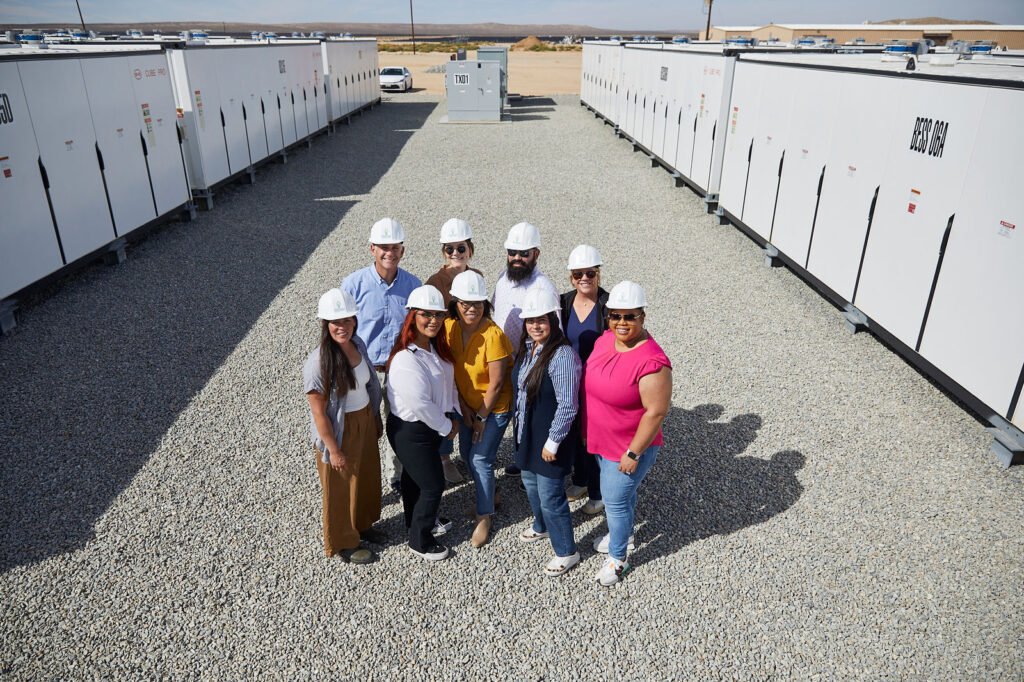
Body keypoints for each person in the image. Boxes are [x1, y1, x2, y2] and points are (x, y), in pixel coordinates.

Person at [583, 281, 672, 586]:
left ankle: (618, 558)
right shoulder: (606, 339)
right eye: (615, 315)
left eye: (629, 316)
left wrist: (634, 453)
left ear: (642, 317)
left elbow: (656, 412)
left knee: (615, 501)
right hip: (601, 439)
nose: (621, 322)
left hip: (627, 447)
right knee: (622, 495)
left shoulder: (652, 362)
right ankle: (627, 534)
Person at [303, 288, 385, 564]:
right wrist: (334, 450)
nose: (343, 326)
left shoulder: (358, 343)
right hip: (340, 429)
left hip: (363, 418)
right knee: (340, 485)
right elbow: (319, 413)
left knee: (365, 475)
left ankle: (362, 525)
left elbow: (369, 384)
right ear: (325, 324)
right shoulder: (319, 362)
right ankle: (343, 542)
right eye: (336, 322)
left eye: (348, 320)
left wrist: (375, 417)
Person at [341, 217, 422, 495]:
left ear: (403, 250)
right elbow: (343, 329)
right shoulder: (352, 285)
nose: (390, 253)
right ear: (372, 249)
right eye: (383, 247)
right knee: (361, 426)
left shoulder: (413, 285)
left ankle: (395, 475)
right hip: (363, 369)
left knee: (398, 423)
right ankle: (363, 479)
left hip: (398, 368)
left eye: (395, 247)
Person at [385, 285, 461, 561]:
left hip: (431, 425)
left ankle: (416, 520)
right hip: (411, 430)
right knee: (432, 484)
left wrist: (452, 411)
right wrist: (447, 427)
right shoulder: (406, 358)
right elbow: (419, 403)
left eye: (438, 315)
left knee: (413, 477)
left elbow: (448, 381)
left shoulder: (435, 348)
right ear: (412, 316)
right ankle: (420, 539)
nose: (433, 321)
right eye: (426, 315)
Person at [512, 288, 582, 577]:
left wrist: (553, 442)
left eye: (541, 319)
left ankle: (567, 551)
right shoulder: (529, 348)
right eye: (530, 320)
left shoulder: (562, 355)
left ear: (553, 320)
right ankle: (541, 526)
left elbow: (568, 404)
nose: (535, 325)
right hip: (528, 435)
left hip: (551, 439)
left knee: (551, 495)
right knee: (530, 483)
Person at [444, 270, 513, 547]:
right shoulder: (449, 327)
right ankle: (491, 494)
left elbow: (496, 385)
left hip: (494, 408)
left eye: (478, 303)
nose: (472, 308)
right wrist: (463, 407)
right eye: (465, 303)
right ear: (456, 304)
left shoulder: (493, 335)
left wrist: (482, 417)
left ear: (486, 304)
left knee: (480, 460)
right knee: (466, 453)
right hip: (468, 405)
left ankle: (485, 515)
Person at [491, 221, 558, 477]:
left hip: (532, 363)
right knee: (516, 415)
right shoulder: (502, 279)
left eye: (524, 253)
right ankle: (521, 461)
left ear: (536, 254)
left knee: (533, 417)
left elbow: (554, 332)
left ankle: (535, 470)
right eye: (512, 253)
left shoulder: (543, 288)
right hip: (503, 361)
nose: (517, 258)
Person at [425, 218, 483, 484]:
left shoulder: (477, 276)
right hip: (445, 350)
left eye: (461, 248)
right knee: (446, 404)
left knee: (469, 400)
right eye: (450, 249)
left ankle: (468, 453)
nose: (456, 254)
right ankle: (444, 459)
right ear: (443, 252)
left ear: (470, 249)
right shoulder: (435, 281)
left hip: (470, 348)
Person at [559, 245, 609, 514]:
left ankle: (598, 491)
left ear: (598, 274)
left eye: (590, 272)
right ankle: (579, 480)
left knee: (594, 436)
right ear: (572, 277)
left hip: (597, 383)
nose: (584, 278)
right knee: (574, 431)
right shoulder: (564, 302)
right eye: (578, 274)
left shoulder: (607, 305)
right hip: (570, 380)